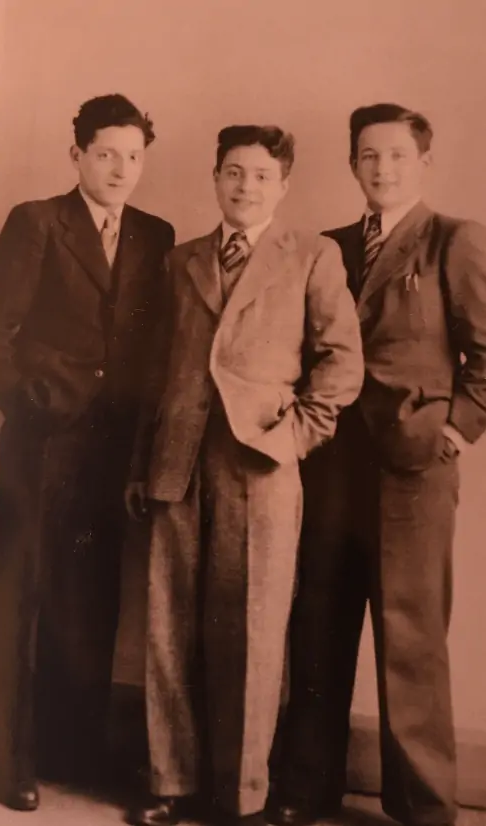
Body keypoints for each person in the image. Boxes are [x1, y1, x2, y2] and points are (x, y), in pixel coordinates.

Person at [125, 124, 364, 826]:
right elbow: (154, 375)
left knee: (254, 632)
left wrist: (293, 439)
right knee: (168, 630)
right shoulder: (182, 260)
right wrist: (144, 465)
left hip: (260, 466)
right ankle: (172, 784)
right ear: (216, 177)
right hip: (178, 463)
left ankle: (242, 797)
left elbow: (341, 364)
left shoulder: (312, 256)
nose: (245, 186)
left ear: (283, 184)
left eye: (261, 174)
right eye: (233, 171)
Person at [269, 103, 486, 826]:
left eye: (396, 156)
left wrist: (455, 432)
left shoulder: (455, 241)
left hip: (414, 470)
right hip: (331, 466)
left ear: (423, 161)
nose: (382, 169)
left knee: (411, 638)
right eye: (369, 156)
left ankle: (423, 808)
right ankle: (305, 791)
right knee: (318, 623)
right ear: (353, 163)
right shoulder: (327, 246)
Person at [0, 93, 174, 811]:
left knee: (91, 604)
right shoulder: (37, 223)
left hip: (109, 454)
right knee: (24, 595)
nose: (121, 168)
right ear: (77, 155)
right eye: (106, 154)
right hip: (43, 446)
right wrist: (32, 407)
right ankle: (6, 763)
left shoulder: (155, 235)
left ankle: (75, 751)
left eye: (133, 156)